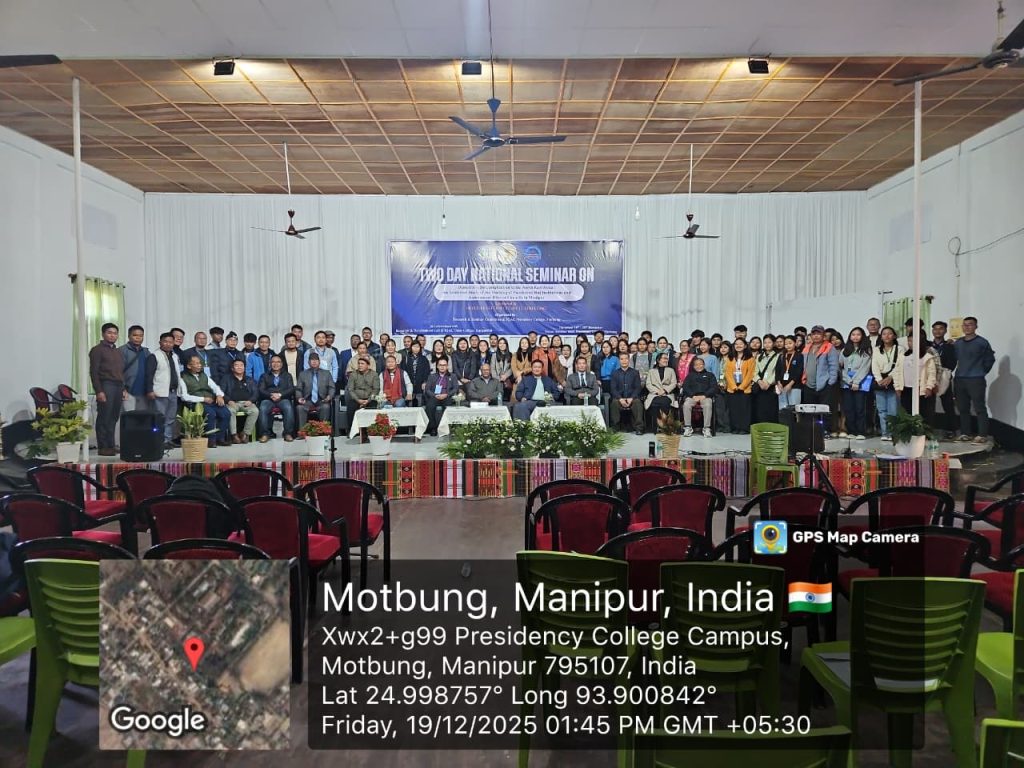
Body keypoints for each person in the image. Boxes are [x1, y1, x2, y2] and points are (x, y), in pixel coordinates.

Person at [953, 316, 995, 443]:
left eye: (970, 324)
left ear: (976, 326)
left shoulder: (982, 342)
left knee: (979, 408)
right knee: (962, 408)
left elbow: (990, 359)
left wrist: (981, 371)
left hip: (976, 379)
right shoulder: (958, 343)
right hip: (959, 378)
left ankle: (982, 435)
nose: (967, 327)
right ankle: (965, 433)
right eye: (964, 325)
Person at [180, 354, 231, 447]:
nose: (199, 365)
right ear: (189, 366)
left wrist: (219, 395)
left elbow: (215, 387)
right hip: (196, 403)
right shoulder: (182, 378)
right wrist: (203, 399)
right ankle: (211, 440)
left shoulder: (204, 375)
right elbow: (184, 397)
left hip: (210, 401)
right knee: (210, 413)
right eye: (196, 363)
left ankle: (220, 438)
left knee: (226, 413)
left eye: (200, 363)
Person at [89, 322, 125, 456]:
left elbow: (121, 371)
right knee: (104, 416)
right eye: (109, 333)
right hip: (106, 385)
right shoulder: (97, 350)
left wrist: (123, 388)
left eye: (115, 333)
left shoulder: (117, 351)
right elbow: (93, 372)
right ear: (103, 334)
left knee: (113, 417)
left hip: (118, 386)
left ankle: (111, 445)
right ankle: (103, 446)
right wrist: (99, 391)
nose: (112, 335)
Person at [144, 331, 181, 447]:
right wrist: (149, 390)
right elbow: (149, 375)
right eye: (165, 341)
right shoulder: (154, 356)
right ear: (160, 342)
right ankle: (158, 441)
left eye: (171, 342)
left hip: (173, 392)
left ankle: (167, 440)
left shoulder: (174, 356)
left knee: (170, 418)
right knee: (159, 418)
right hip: (159, 393)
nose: (168, 344)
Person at [802, 324, 839, 434]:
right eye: (814, 334)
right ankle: (812, 431)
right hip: (808, 384)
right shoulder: (807, 347)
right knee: (810, 410)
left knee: (825, 409)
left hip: (824, 384)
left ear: (823, 335)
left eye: (819, 334)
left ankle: (826, 430)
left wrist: (830, 382)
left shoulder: (829, 347)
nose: (816, 336)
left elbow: (834, 366)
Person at [839, 327, 873, 439]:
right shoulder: (845, 350)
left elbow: (865, 368)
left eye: (858, 334)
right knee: (848, 408)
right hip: (846, 383)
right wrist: (848, 381)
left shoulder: (866, 350)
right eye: (853, 334)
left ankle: (861, 432)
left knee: (860, 408)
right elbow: (841, 367)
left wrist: (856, 382)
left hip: (861, 383)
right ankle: (851, 431)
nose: (855, 337)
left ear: (862, 336)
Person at [872, 326, 904, 441]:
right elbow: (874, 365)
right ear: (881, 337)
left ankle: (892, 433)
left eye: (890, 333)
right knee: (881, 410)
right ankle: (884, 432)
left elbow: (900, 365)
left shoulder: (900, 349)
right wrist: (879, 379)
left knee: (893, 409)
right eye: (884, 334)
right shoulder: (876, 350)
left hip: (894, 380)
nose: (887, 336)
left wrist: (890, 377)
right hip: (880, 381)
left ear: (894, 336)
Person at [901, 331, 938, 425]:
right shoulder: (904, 356)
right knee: (907, 411)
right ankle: (910, 430)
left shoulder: (927, 356)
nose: (911, 343)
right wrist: (898, 386)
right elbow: (898, 371)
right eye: (909, 341)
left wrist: (929, 387)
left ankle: (924, 431)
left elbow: (932, 373)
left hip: (921, 388)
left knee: (924, 412)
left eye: (913, 341)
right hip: (906, 388)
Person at [257, 355, 296, 442]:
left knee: (288, 407)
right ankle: (265, 434)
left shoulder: (287, 375)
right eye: (273, 362)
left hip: (283, 398)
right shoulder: (264, 376)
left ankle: (287, 433)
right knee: (263, 408)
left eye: (278, 362)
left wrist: (280, 395)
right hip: (268, 399)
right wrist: (271, 395)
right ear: (270, 364)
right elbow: (261, 389)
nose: (276, 364)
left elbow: (291, 389)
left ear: (281, 364)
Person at [221, 358, 259, 443]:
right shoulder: (226, 379)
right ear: (232, 368)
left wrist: (251, 400)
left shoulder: (250, 379)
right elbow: (221, 392)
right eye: (236, 365)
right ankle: (234, 434)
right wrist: (228, 401)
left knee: (255, 411)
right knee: (230, 411)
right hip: (232, 403)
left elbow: (256, 393)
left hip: (247, 402)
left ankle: (245, 433)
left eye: (241, 365)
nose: (239, 367)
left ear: (244, 368)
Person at [296, 352, 336, 430]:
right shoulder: (303, 374)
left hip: (322, 400)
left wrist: (329, 396)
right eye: (312, 360)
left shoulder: (326, 373)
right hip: (307, 401)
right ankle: (302, 432)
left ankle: (324, 431)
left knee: (326, 407)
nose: (314, 361)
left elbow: (332, 388)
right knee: (300, 408)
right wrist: (299, 398)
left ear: (319, 362)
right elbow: (298, 389)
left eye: (316, 360)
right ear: (308, 362)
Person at [930, 320, 957, 434]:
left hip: (944, 378)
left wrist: (942, 372)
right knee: (929, 405)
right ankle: (928, 429)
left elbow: (952, 363)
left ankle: (951, 430)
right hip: (929, 378)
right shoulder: (928, 346)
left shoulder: (949, 346)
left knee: (948, 404)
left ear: (945, 331)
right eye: (935, 329)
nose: (938, 331)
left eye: (941, 328)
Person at [723, 338, 755, 434]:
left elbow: (750, 374)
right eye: (736, 344)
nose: (738, 346)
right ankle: (735, 428)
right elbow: (727, 373)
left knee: (744, 409)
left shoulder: (750, 358)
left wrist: (742, 386)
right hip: (732, 388)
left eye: (741, 344)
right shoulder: (730, 358)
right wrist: (733, 386)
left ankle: (744, 428)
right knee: (734, 409)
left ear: (745, 346)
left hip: (745, 388)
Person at [681, 357, 717, 438]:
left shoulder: (710, 375)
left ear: (704, 365)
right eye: (696, 365)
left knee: (708, 405)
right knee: (686, 405)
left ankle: (706, 428)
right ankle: (688, 427)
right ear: (694, 366)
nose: (699, 366)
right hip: (692, 396)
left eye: (701, 364)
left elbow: (714, 387)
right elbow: (685, 387)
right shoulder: (690, 375)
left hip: (705, 396)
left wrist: (705, 395)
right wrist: (692, 396)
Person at [609, 352, 645, 435]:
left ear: (629, 360)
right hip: (619, 397)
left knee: (637, 403)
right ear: (619, 361)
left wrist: (631, 398)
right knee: (614, 403)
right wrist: (620, 399)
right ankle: (615, 426)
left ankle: (639, 428)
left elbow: (637, 388)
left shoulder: (635, 372)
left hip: (632, 397)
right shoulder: (615, 373)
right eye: (622, 359)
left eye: (626, 359)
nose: (624, 361)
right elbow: (613, 389)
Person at [424, 357, 458, 436]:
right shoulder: (432, 376)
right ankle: (433, 428)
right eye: (440, 365)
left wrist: (447, 394)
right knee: (429, 406)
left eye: (444, 365)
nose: (442, 367)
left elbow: (455, 388)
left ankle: (446, 428)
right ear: (437, 366)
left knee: (448, 406)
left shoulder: (453, 376)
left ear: (447, 366)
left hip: (447, 396)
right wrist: (435, 395)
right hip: (435, 396)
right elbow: (427, 389)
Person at [120, 325, 150, 413]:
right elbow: (117, 372)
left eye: (141, 336)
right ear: (129, 336)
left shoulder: (146, 351)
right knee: (128, 417)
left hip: (144, 393)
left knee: (142, 417)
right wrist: (122, 389)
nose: (138, 338)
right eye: (135, 335)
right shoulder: (122, 351)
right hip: (127, 392)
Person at [751, 335, 779, 424]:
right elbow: (754, 371)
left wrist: (769, 383)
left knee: (770, 409)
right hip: (760, 386)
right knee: (760, 408)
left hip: (771, 386)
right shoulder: (759, 356)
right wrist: (759, 381)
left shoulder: (778, 356)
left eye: (769, 342)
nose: (767, 344)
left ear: (774, 343)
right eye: (765, 342)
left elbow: (777, 372)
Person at [644, 352, 678, 424]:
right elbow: (648, 384)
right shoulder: (651, 371)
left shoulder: (671, 370)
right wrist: (657, 391)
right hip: (654, 394)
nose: (666, 360)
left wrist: (665, 390)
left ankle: (665, 425)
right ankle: (655, 425)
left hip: (667, 394)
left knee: (665, 402)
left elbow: (674, 383)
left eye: (667, 359)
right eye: (664, 358)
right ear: (658, 360)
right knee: (654, 403)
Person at [776, 335, 804, 410]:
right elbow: (777, 371)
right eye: (786, 344)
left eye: (790, 343)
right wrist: (779, 383)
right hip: (782, 387)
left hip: (795, 386)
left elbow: (799, 371)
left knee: (794, 409)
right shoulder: (781, 356)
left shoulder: (799, 356)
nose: (788, 346)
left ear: (795, 343)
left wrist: (790, 384)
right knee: (783, 410)